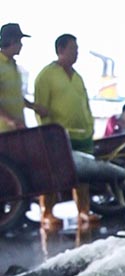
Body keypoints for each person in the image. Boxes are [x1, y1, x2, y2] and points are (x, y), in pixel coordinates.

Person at [33, 33, 97, 230]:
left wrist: (90, 125)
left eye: (77, 50)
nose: (76, 54)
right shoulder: (46, 75)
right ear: (61, 50)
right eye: (73, 50)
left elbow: (84, 103)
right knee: (54, 175)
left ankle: (84, 211)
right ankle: (47, 212)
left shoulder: (77, 76)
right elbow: (40, 107)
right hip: (59, 136)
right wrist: (48, 133)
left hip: (83, 134)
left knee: (84, 175)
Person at [0, 23, 46, 133]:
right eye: (19, 42)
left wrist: (33, 106)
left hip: (16, 130)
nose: (21, 45)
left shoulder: (12, 65)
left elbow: (15, 95)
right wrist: (10, 120)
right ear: (11, 41)